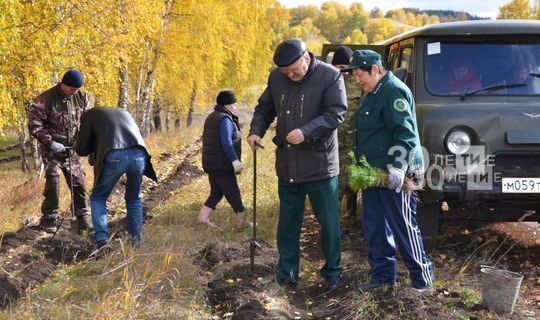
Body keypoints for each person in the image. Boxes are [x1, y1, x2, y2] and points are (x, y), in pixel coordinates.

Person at [247, 38, 347, 289]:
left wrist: (306, 131)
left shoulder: (330, 76)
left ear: (306, 58)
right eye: (285, 72)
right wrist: (256, 131)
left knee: (329, 222)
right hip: (288, 164)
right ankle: (287, 273)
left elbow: (336, 113)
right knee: (288, 222)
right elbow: (264, 108)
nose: (290, 75)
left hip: (320, 166)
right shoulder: (276, 78)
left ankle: (332, 271)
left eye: (294, 70)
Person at [341, 50, 435, 293]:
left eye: (360, 75)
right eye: (354, 76)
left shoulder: (394, 91)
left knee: (404, 226)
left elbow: (407, 134)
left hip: (397, 175)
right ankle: (382, 279)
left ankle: (422, 281)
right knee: (375, 226)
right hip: (374, 174)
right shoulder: (372, 93)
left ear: (375, 69)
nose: (357, 81)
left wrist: (398, 166)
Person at [75, 107, 157, 251]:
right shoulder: (123, 112)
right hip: (139, 153)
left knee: (98, 197)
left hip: (114, 155)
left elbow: (81, 149)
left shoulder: (88, 116)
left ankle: (102, 241)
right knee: (134, 198)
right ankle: (136, 242)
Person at [28, 69, 92, 234]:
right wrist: (51, 142)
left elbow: (88, 122)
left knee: (78, 182)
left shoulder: (82, 98)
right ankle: (50, 217)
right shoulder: (45, 99)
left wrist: (85, 141)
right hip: (52, 150)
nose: (74, 92)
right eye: (71, 89)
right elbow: (35, 125)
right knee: (54, 177)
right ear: (63, 84)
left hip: (72, 150)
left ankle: (82, 216)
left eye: (77, 90)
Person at [198, 90, 247, 228]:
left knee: (216, 193)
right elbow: (226, 143)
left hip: (212, 163)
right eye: (233, 104)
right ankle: (241, 222)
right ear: (226, 105)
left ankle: (203, 218)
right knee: (234, 193)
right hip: (222, 164)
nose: (235, 107)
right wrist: (235, 161)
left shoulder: (212, 116)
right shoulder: (224, 119)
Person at [331, 46, 363, 218]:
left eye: (345, 68)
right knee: (337, 184)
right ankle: (333, 224)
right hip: (334, 143)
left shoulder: (359, 83)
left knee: (353, 181)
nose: (342, 72)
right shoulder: (327, 82)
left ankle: (352, 212)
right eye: (338, 67)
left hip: (355, 142)